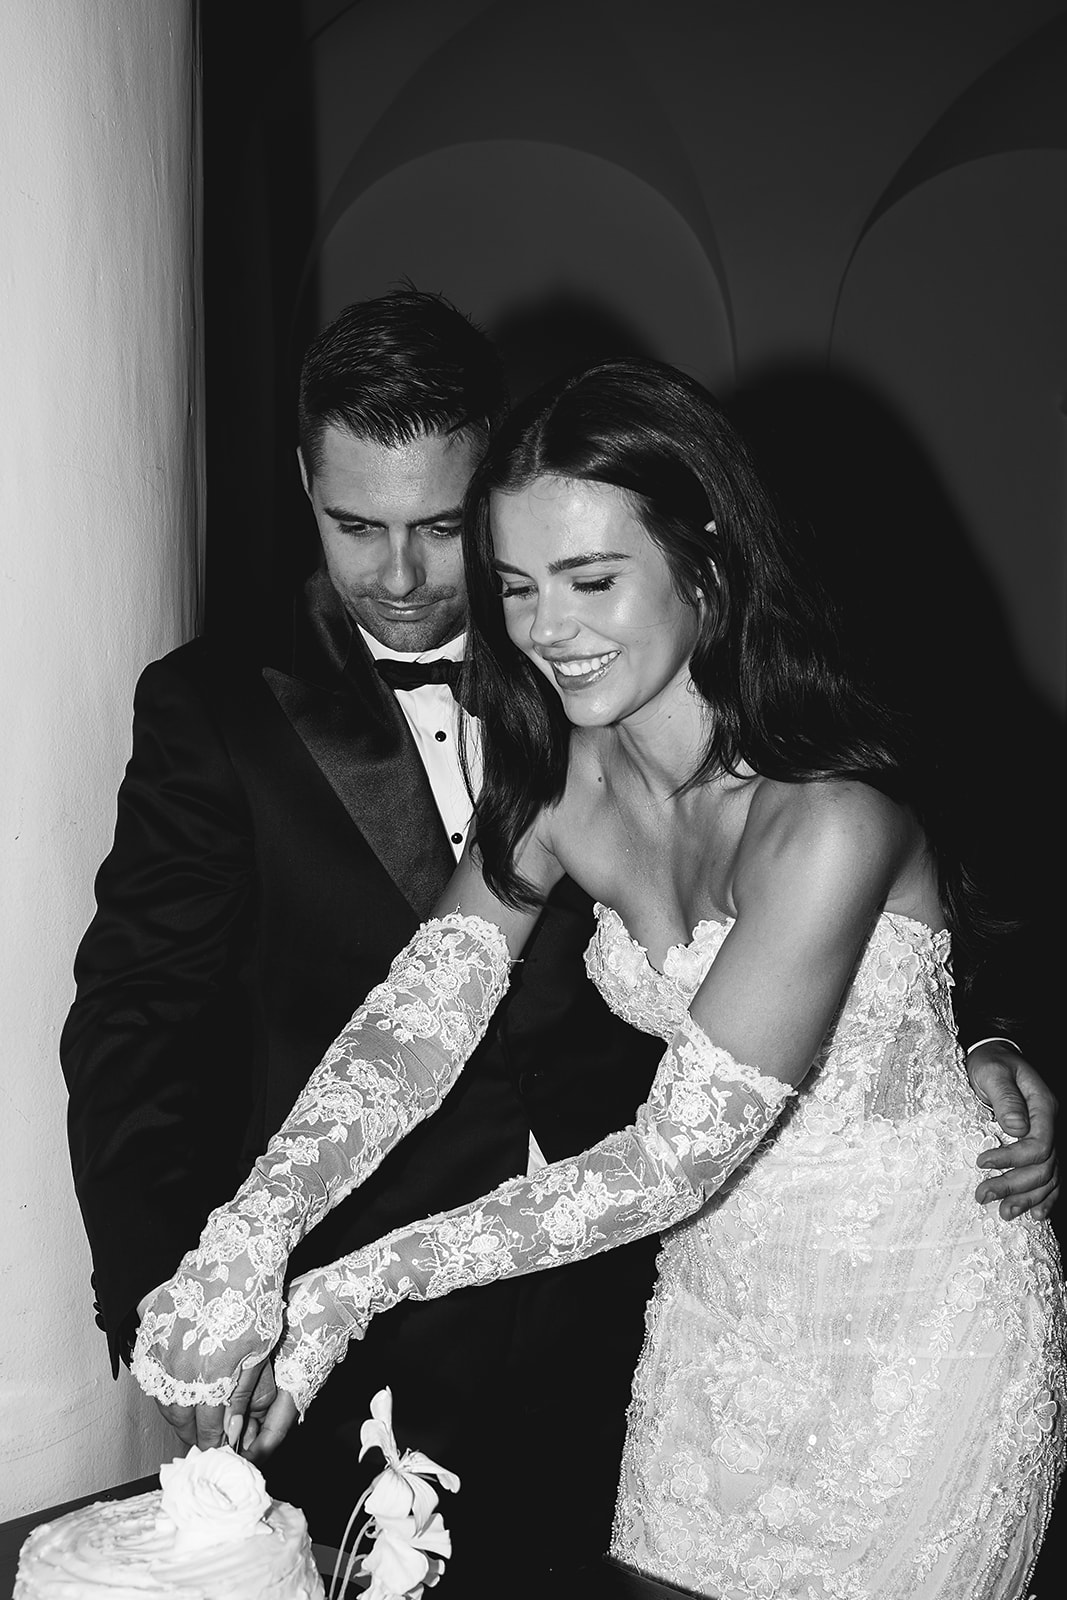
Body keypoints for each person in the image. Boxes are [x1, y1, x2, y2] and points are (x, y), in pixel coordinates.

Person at [131, 357, 1064, 1598]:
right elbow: (413, 1027)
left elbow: (667, 1158)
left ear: (705, 558)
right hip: (715, 1310)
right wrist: (248, 1237)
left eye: (591, 579)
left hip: (912, 1318)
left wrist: (350, 1286)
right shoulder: (562, 784)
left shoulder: (827, 816)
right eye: (515, 585)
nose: (542, 629)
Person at [59, 292, 668, 1584]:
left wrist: (983, 1026)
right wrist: (182, 1307)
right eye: (354, 527)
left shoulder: (595, 648)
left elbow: (794, 845)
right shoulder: (212, 710)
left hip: (627, 1302)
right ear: (301, 482)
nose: (396, 579)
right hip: (349, 1343)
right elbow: (136, 1026)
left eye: (440, 531)